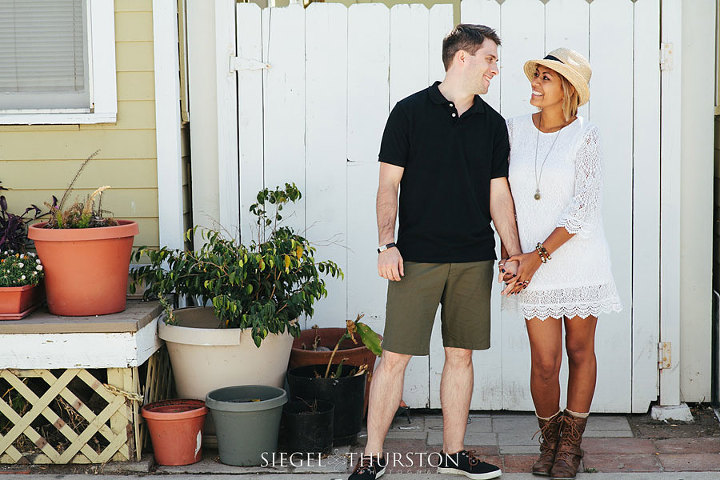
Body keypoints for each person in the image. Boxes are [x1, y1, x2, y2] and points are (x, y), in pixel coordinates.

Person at [348, 24, 522, 480]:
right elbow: (388, 185)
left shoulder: (492, 124)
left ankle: (454, 454)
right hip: (416, 258)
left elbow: (499, 194)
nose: (495, 70)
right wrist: (387, 244)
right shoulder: (408, 113)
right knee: (394, 357)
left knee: (461, 355)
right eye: (490, 59)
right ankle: (373, 455)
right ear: (461, 58)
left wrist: (514, 252)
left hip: (473, 259)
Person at [499, 48, 622, 479]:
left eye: (546, 78)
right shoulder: (512, 130)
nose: (535, 82)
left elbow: (584, 207)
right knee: (545, 361)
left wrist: (537, 256)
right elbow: (502, 198)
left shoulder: (586, 136)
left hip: (579, 258)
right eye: (536, 75)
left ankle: (570, 447)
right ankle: (549, 441)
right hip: (530, 261)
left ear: (568, 90)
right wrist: (512, 254)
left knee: (579, 349)